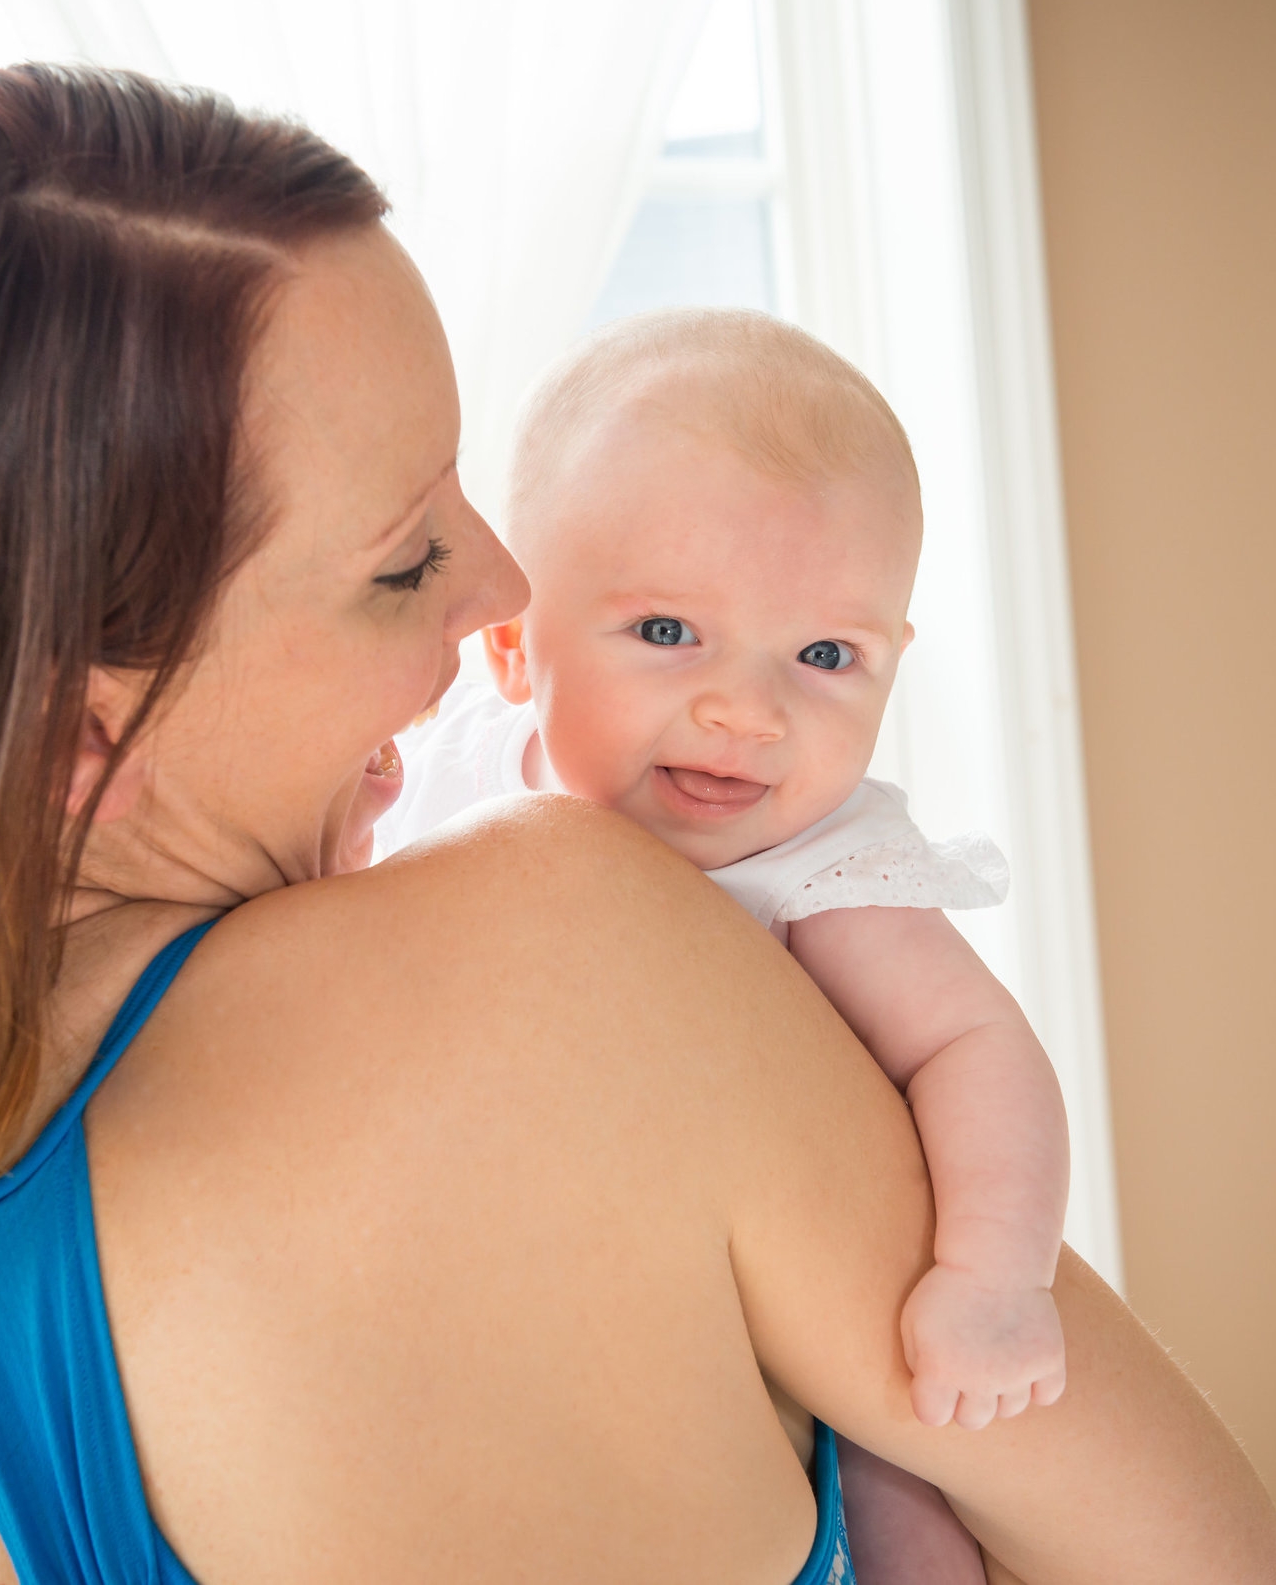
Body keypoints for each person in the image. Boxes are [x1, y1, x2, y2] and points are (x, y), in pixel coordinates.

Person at [0, 64, 1276, 1585]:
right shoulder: (563, 957)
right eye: (403, 558)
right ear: (71, 735)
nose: (501, 582)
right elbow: (1201, 1557)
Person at [373, 307, 1069, 1585]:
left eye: (823, 655)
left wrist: (990, 1278)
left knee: (905, 1463)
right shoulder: (445, 776)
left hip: (773, 1303)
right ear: (513, 647)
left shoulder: (818, 867)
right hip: (509, 1276)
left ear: (891, 664)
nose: (747, 711)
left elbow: (975, 1043)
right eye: (666, 633)